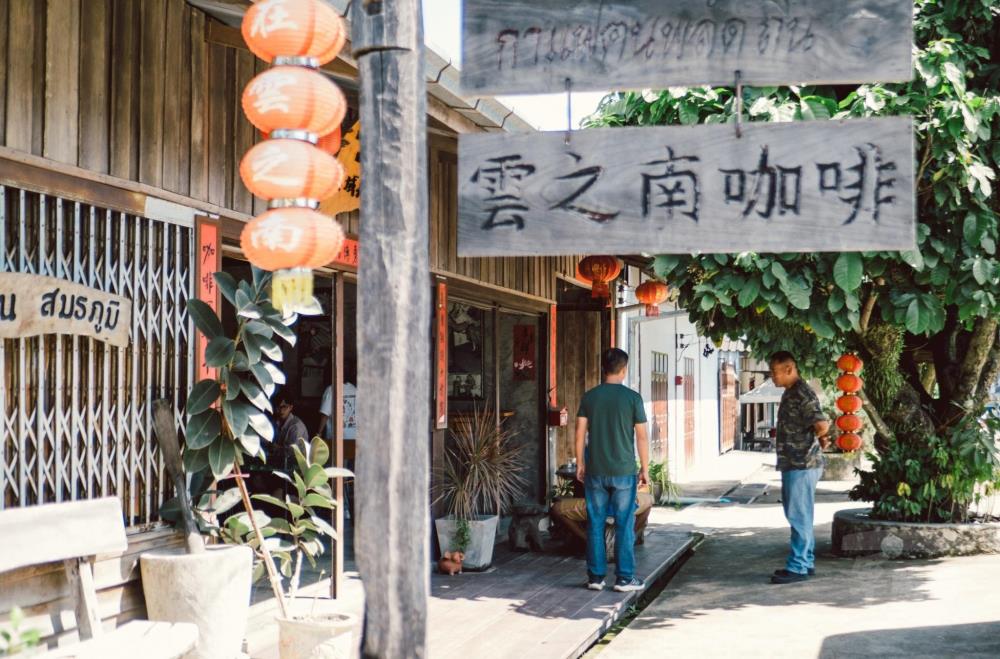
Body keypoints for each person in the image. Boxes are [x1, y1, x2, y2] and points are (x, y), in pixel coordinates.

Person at [575, 348, 650, 593]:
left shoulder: (590, 397)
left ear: (603, 368)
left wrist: (580, 463)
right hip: (624, 471)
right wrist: (645, 469)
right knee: (624, 523)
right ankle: (624, 578)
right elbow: (641, 437)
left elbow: (580, 434)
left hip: (595, 469)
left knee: (595, 523)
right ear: (624, 369)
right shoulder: (632, 398)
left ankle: (595, 578)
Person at [768, 351, 831, 584]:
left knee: (798, 516)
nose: (772, 376)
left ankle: (799, 566)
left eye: (774, 371)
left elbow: (822, 424)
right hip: (796, 463)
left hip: (802, 463)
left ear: (789, 369)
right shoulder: (792, 392)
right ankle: (806, 561)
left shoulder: (802, 393)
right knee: (801, 515)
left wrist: (818, 438)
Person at [273, 397, 309, 472]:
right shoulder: (277, 422)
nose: (281, 410)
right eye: (278, 407)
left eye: (284, 407)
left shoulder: (296, 426)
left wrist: (276, 448)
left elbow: (291, 452)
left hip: (298, 468)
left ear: (290, 407)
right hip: (283, 464)